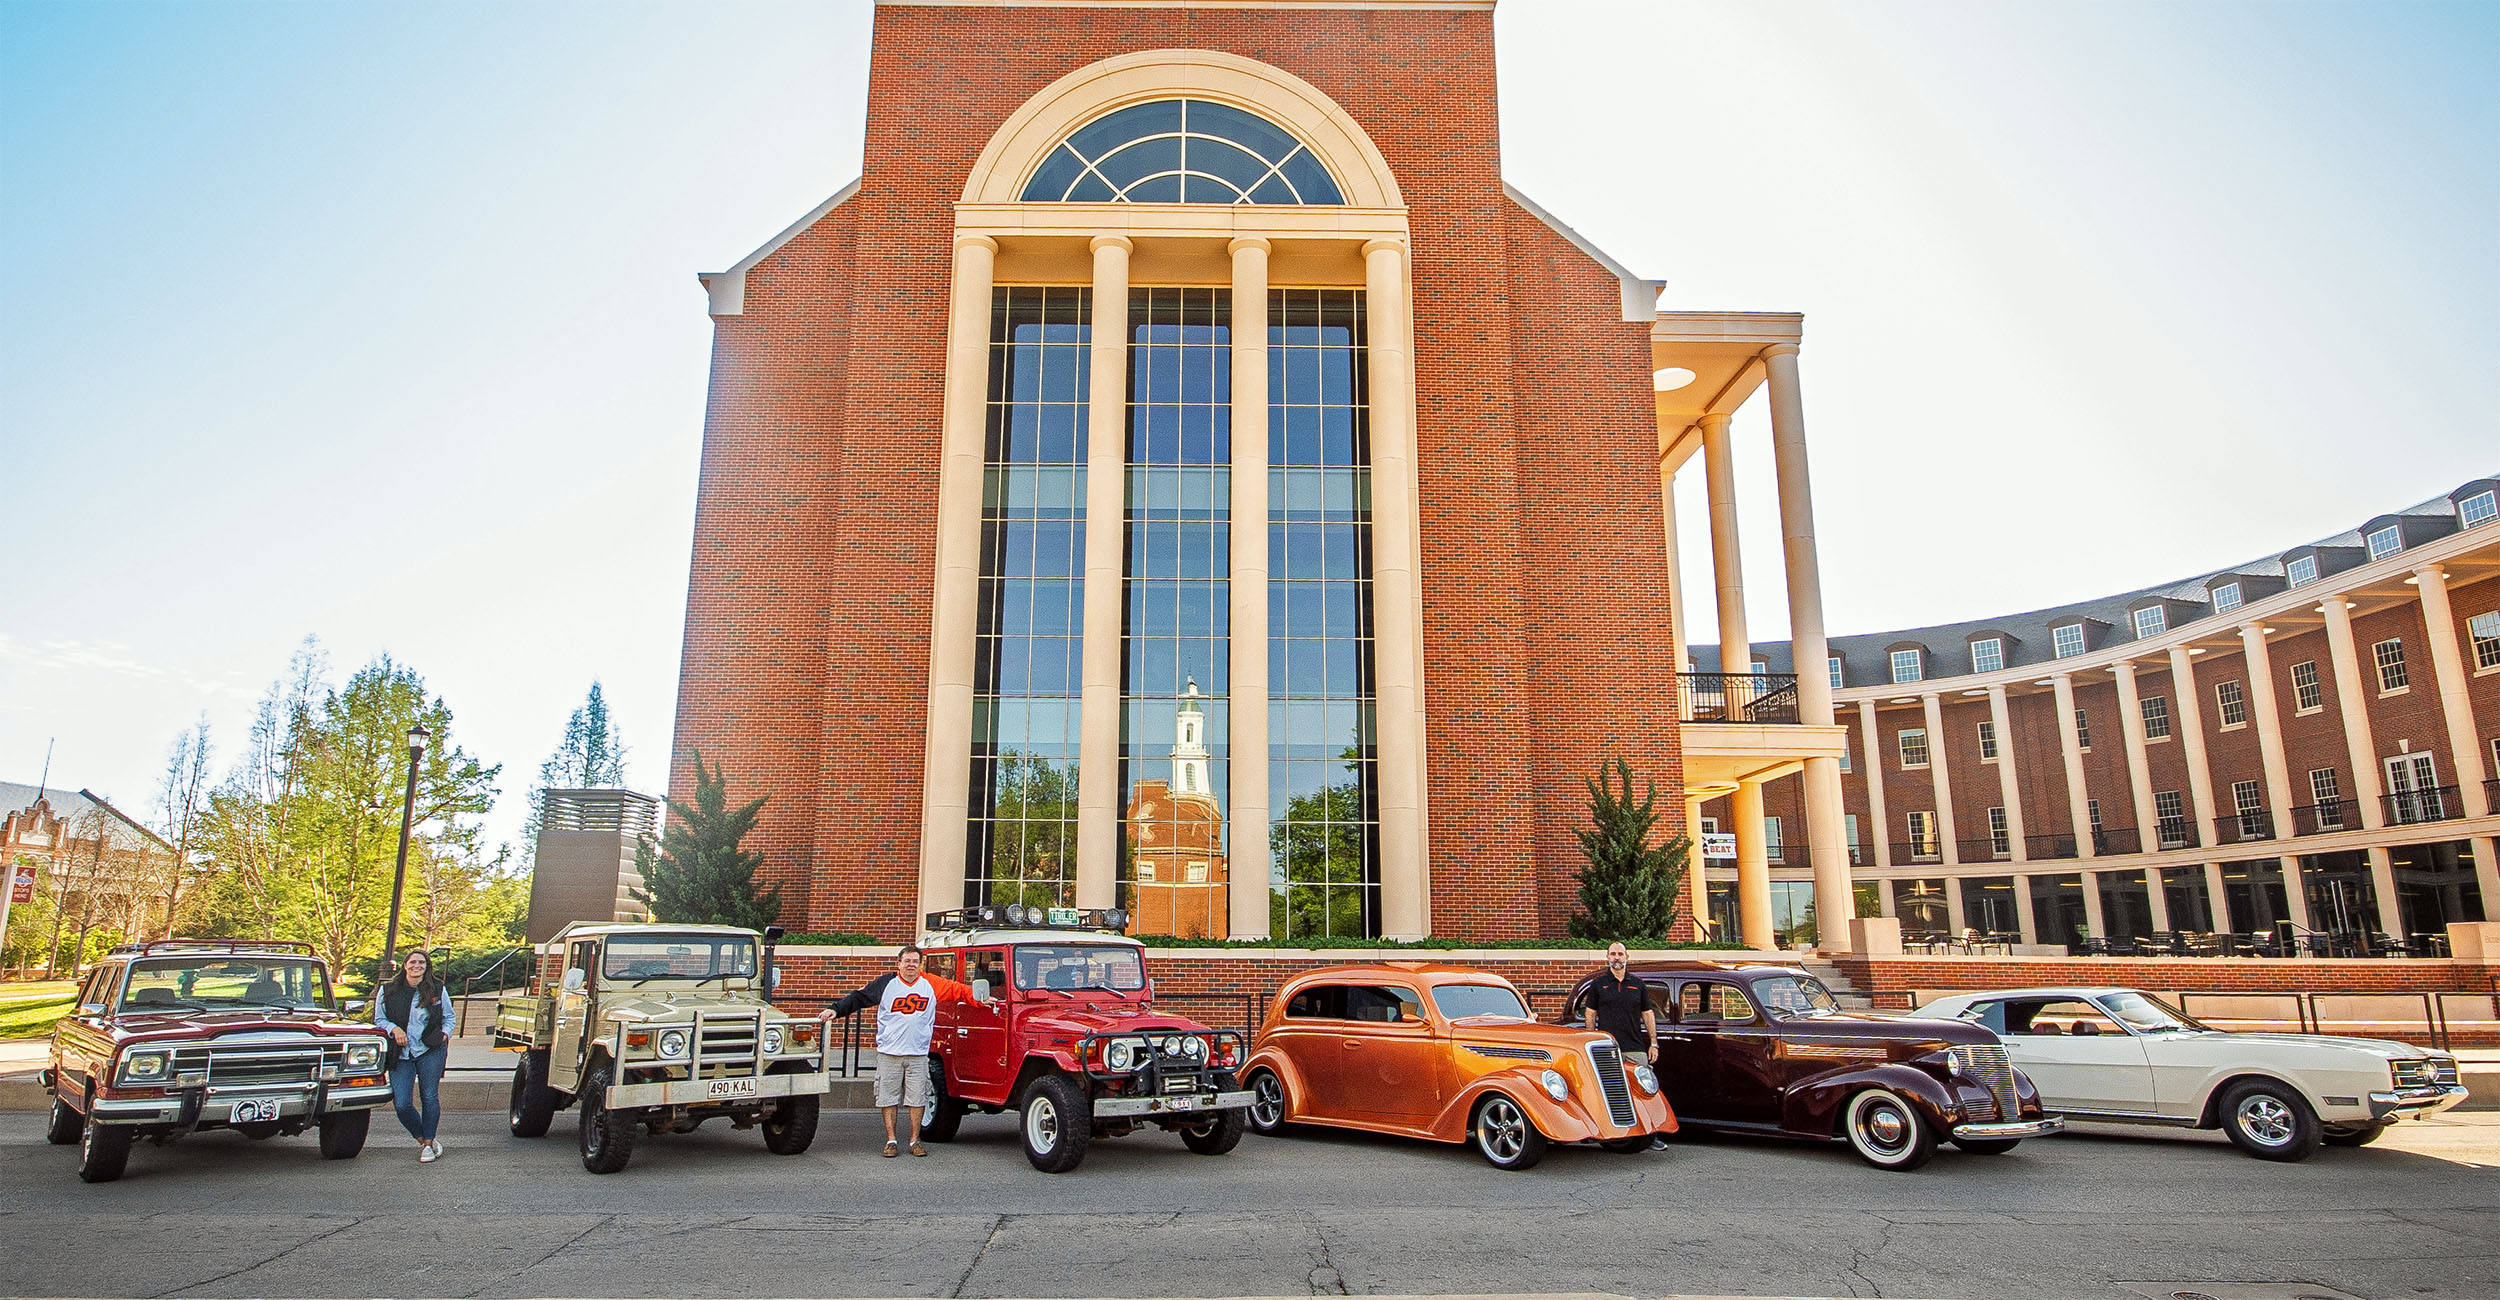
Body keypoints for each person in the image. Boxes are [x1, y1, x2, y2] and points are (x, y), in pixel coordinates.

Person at [821, 946, 988, 1157]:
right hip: (889, 1053)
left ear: (920, 964)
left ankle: (914, 1140)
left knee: (917, 1098)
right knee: (887, 1098)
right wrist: (835, 1009)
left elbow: (959, 991)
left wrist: (981, 999)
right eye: (907, 961)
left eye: (915, 961)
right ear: (898, 963)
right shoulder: (886, 983)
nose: (911, 965)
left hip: (918, 1054)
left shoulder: (931, 984)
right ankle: (891, 1140)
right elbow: (859, 998)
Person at [1582, 941, 1667, 1149]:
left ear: (1627, 957)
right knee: (1609, 1089)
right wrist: (1591, 1039)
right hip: (1607, 1049)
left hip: (1635, 1046)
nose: (1616, 957)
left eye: (1620, 954)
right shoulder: (1598, 984)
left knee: (1644, 1089)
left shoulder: (1637, 984)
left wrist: (1653, 1043)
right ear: (1607, 958)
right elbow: (1590, 1012)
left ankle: (1651, 1135)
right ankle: (1609, 1133)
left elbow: (1647, 1014)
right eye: (1613, 954)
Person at [374, 949, 455, 1163]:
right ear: (405, 965)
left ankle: (429, 1143)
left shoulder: (437, 988)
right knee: (402, 1103)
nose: (416, 966)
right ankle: (422, 1139)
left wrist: (445, 1035)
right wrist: (394, 1029)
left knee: (429, 1096)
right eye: (412, 962)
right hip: (401, 1053)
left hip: (430, 1049)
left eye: (421, 962)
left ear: (427, 967)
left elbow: (449, 1017)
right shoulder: (388, 990)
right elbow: (379, 1019)